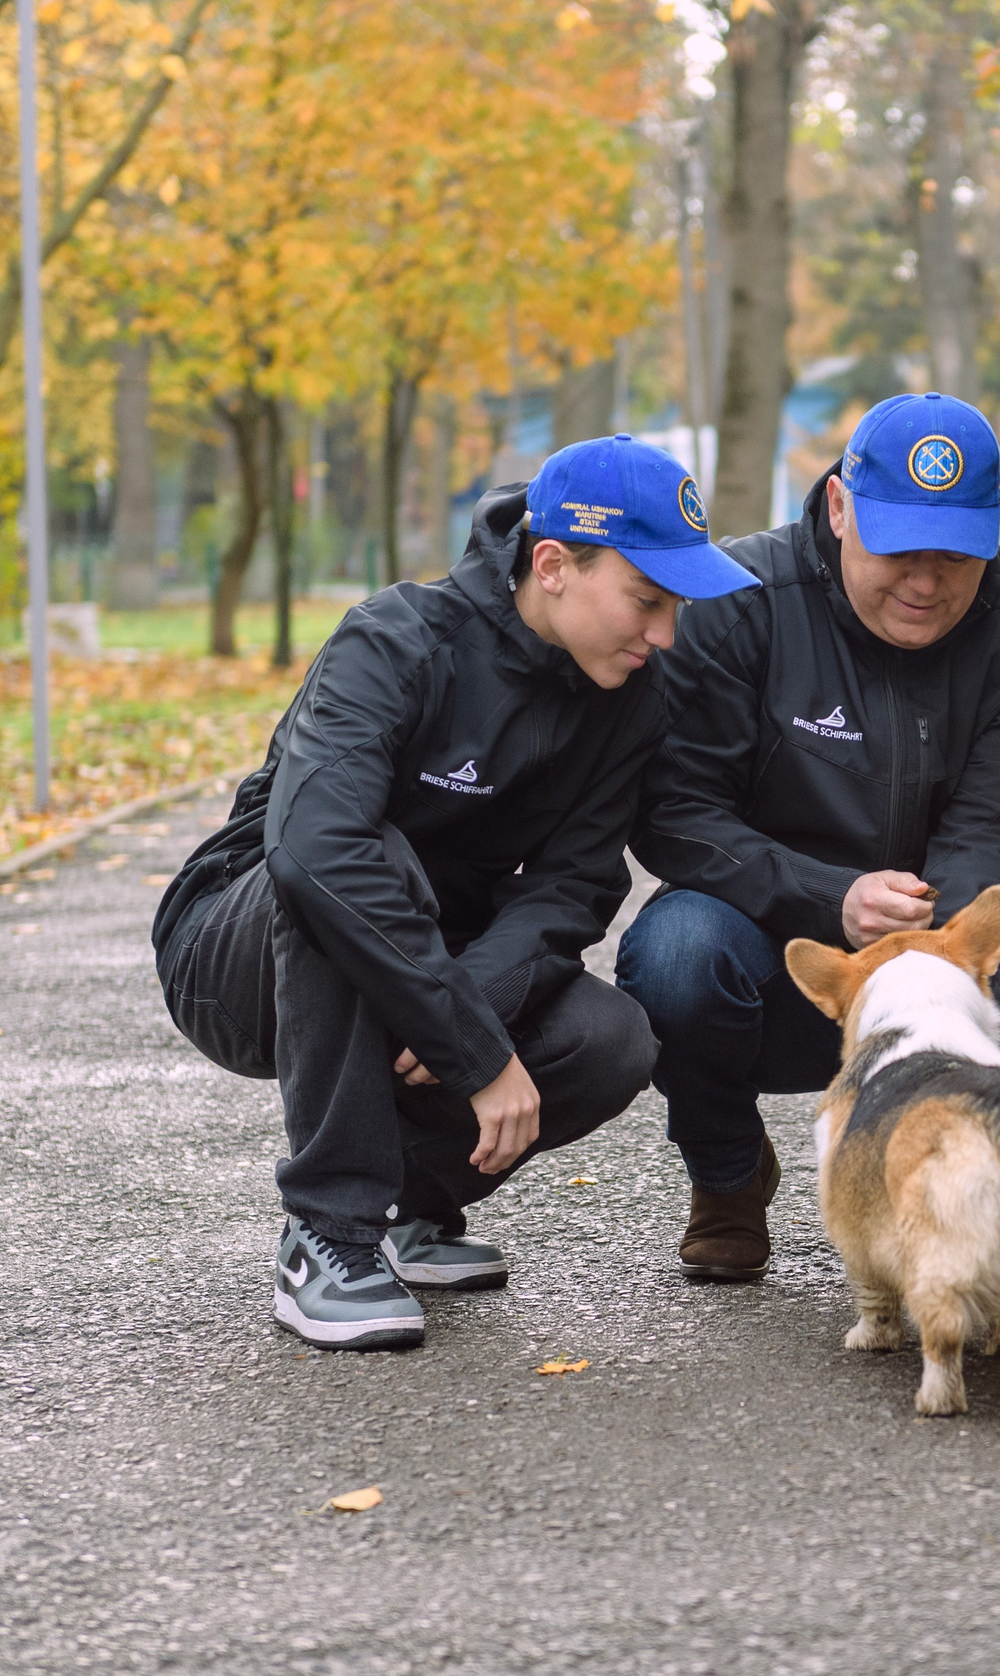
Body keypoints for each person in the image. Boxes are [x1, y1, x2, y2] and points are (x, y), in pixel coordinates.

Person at [153, 436, 759, 1350]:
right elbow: (317, 853)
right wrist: (468, 1042)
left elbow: (573, 885)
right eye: (647, 600)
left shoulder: (632, 695)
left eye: (676, 606)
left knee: (610, 1040)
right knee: (365, 863)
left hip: (430, 951)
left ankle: (407, 1207)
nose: (665, 633)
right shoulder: (394, 639)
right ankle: (327, 1233)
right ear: (552, 565)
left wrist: (468, 1004)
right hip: (236, 947)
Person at [620, 392, 1000, 1279]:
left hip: (938, 952)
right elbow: (676, 812)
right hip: (771, 950)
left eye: (955, 555)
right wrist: (831, 897)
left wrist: (930, 956)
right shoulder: (737, 604)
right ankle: (728, 1175)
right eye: (899, 550)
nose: (926, 584)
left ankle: (979, 1158)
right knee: (673, 953)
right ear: (838, 507)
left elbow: (990, 824)